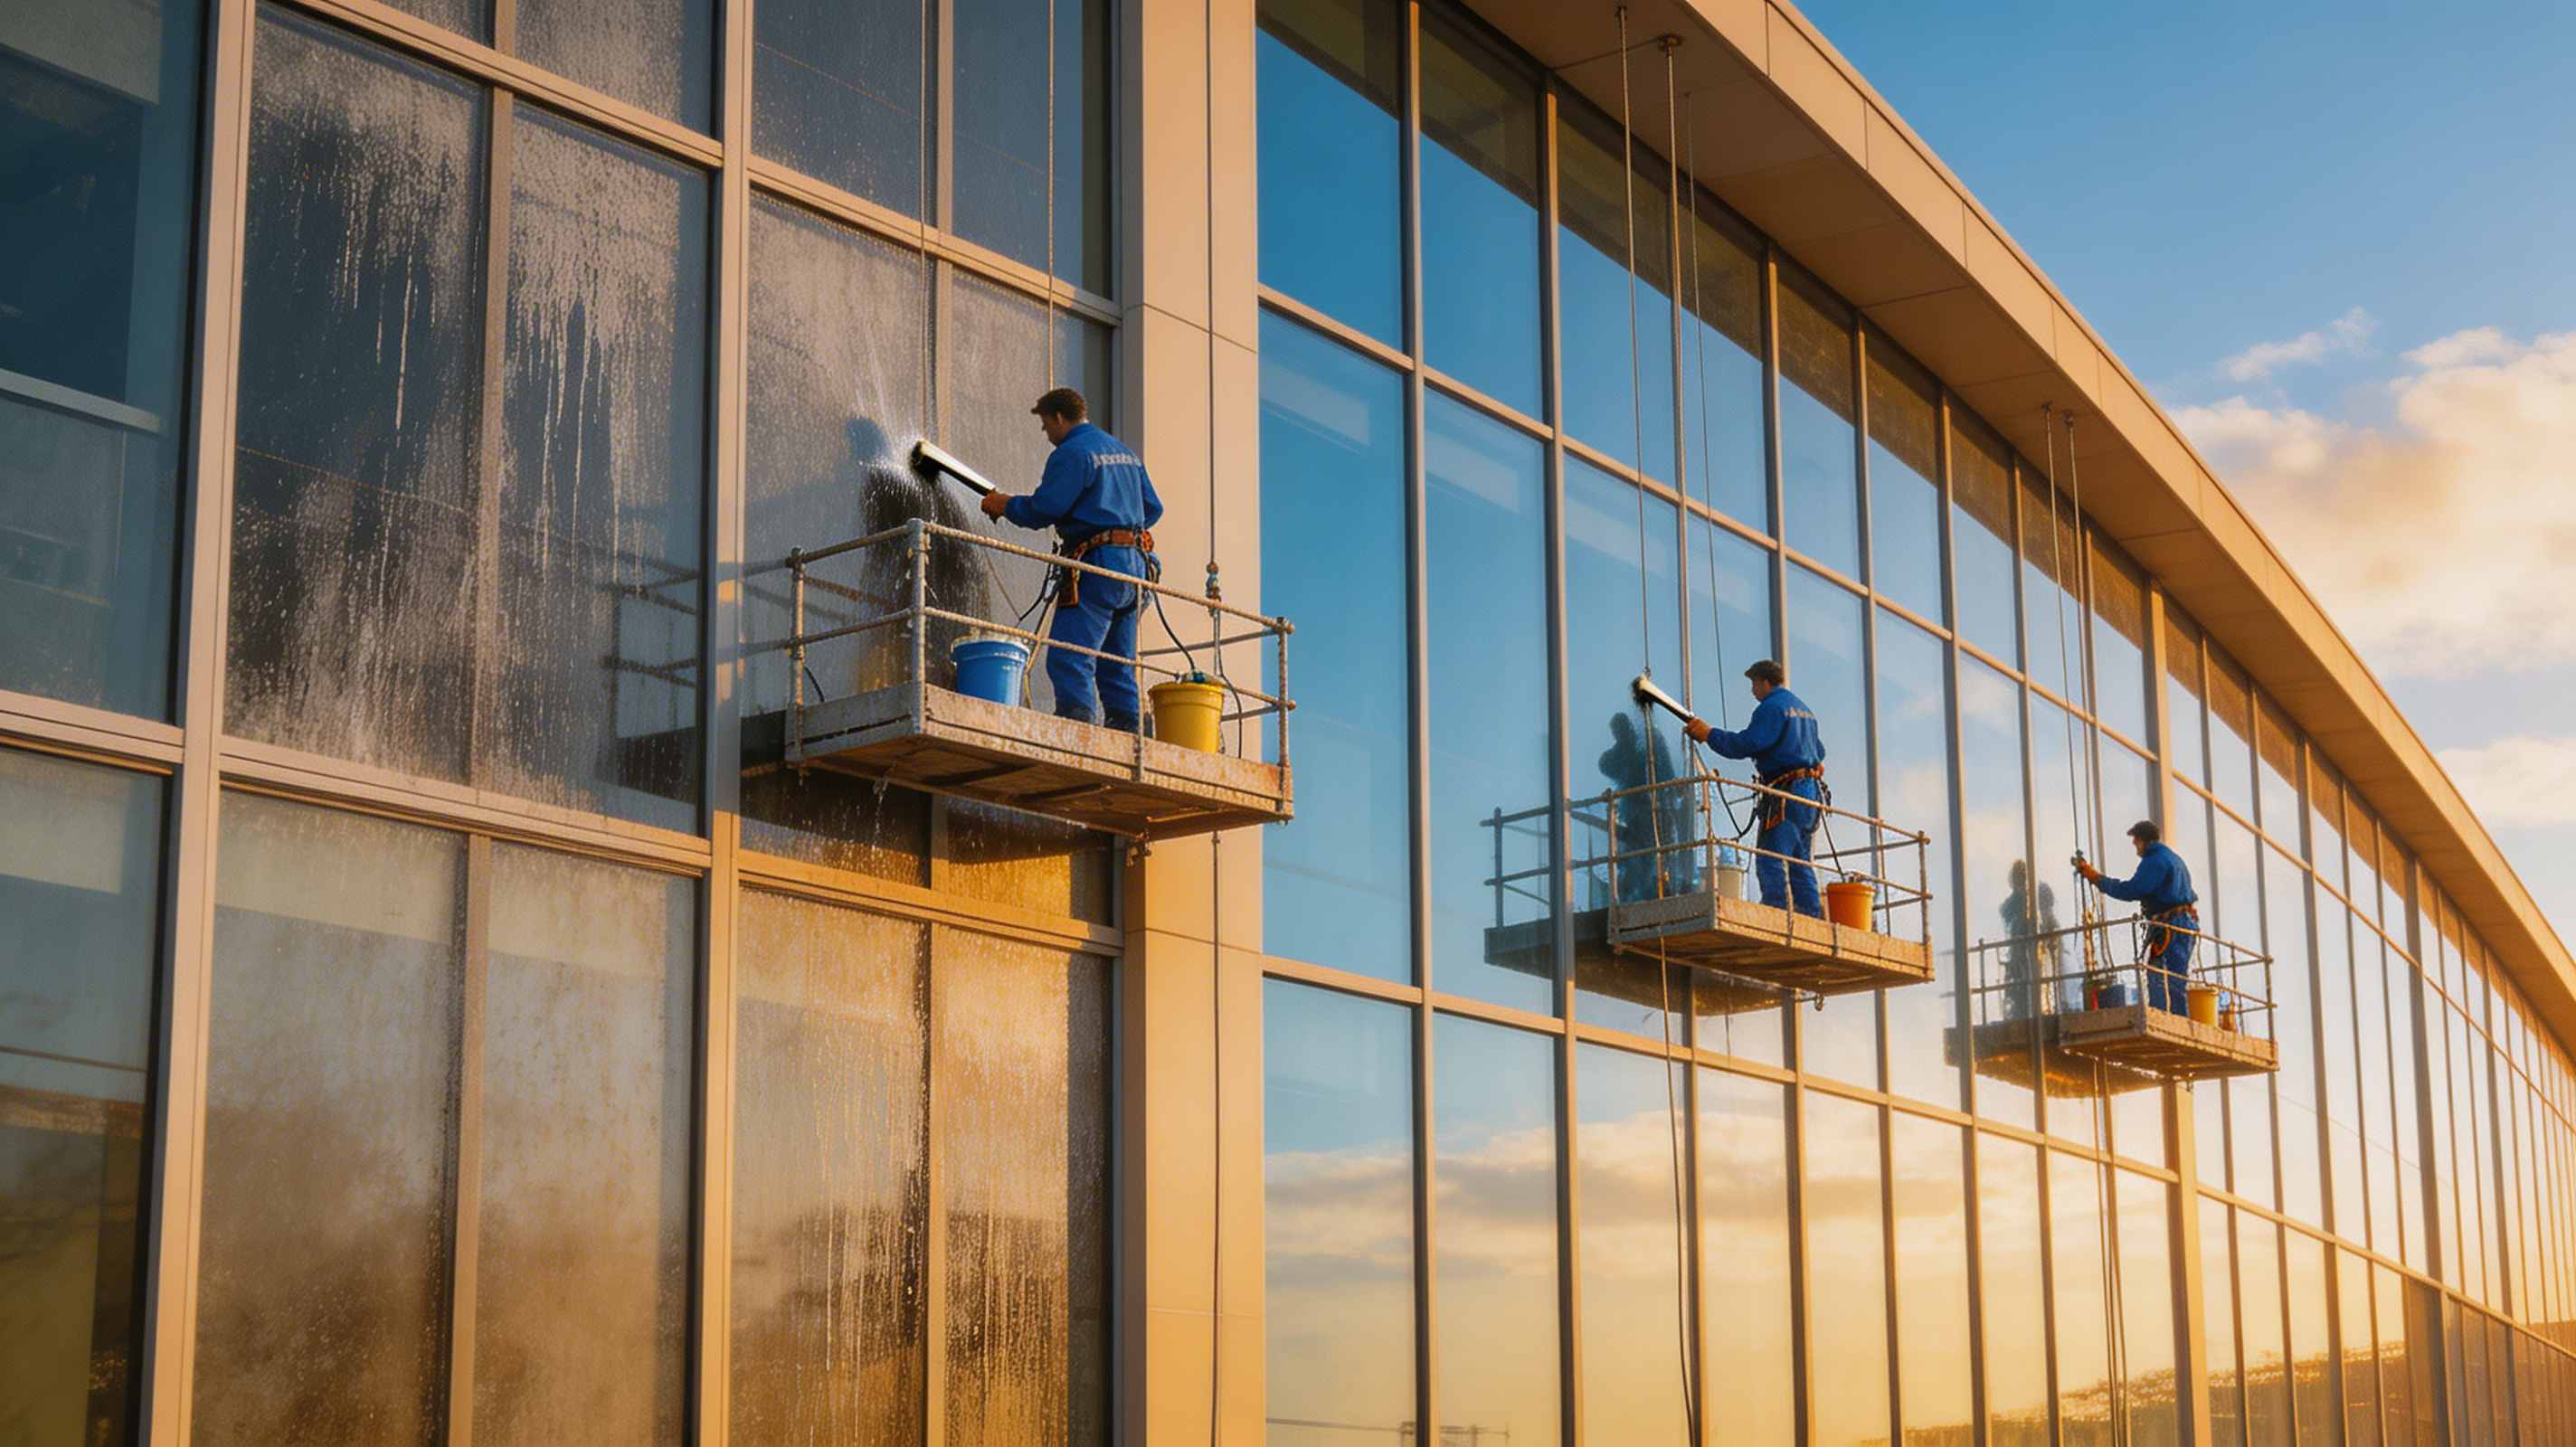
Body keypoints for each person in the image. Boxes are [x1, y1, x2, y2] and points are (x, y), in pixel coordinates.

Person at [979, 388, 1164, 731]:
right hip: (1135, 568)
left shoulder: (1072, 452)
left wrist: (1005, 505)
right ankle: (1126, 726)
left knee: (1069, 654)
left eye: (1046, 425)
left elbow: (1045, 508)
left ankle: (1076, 722)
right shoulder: (1123, 452)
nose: (1046, 434)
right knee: (1116, 658)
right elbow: (1153, 508)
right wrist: (1121, 525)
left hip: (1098, 564)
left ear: (1059, 417)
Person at [1681, 659, 1826, 917]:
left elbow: (1747, 743)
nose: (1752, 691)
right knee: (1799, 860)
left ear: (1764, 682)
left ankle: (1776, 911)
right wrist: (1811, 762)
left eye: (1754, 684)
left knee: (1770, 857)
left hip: (1786, 791)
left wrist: (1709, 734)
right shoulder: (1803, 709)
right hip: (1809, 793)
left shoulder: (1772, 708)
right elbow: (1819, 751)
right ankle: (1810, 914)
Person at [2077, 818, 2201, 1014]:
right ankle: (2172, 1017)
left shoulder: (2155, 861)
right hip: (2181, 923)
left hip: (2172, 925)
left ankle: (2166, 1018)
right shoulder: (2171, 858)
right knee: (2171, 977)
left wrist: (2097, 879)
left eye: (2136, 840)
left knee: (2163, 978)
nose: (2134, 845)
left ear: (2144, 840)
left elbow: (2132, 890)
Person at [1596, 710, 1698, 904]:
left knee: (1657, 854)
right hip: (1639, 813)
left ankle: (1659, 891)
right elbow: (1605, 765)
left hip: (1655, 811)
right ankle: (1640, 894)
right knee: (1642, 856)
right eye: (1619, 731)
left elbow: (1665, 770)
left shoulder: (1649, 746)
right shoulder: (1628, 753)